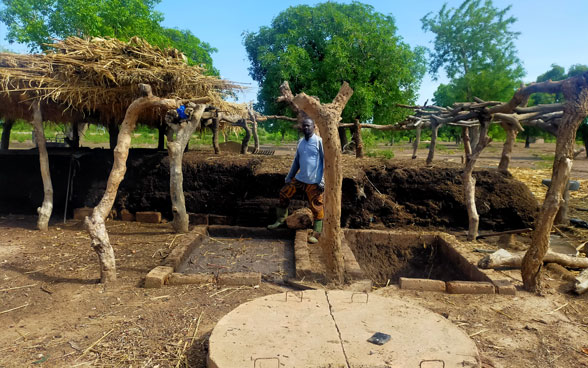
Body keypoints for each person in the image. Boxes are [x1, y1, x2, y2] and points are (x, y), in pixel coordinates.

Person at [267, 117, 324, 243]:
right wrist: (289, 176)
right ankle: (281, 220)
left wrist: (322, 181)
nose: (306, 128)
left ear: (314, 127)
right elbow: (296, 161)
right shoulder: (301, 142)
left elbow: (325, 163)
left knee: (317, 206)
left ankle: (317, 233)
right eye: (304, 126)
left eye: (308, 126)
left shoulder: (319, 142)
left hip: (314, 181)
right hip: (300, 179)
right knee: (284, 193)